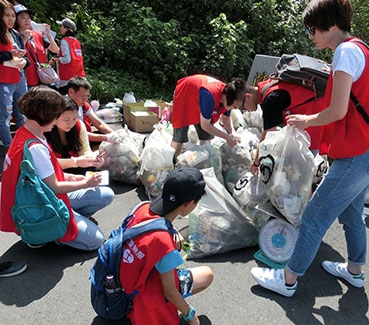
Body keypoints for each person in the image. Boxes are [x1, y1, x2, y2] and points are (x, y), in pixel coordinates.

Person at [251, 0, 369, 297]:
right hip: (367, 152)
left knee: (312, 219)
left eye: (313, 29)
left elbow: (337, 110)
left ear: (331, 25)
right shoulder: (362, 48)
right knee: (352, 216)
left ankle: (287, 280)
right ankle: (355, 272)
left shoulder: (345, 53)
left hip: (352, 155)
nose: (310, 35)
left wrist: (305, 121)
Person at [0, 86, 107, 251]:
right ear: (45, 115)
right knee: (97, 241)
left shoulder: (25, 133)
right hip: (40, 204)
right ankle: (50, 231)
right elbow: (54, 186)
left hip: (35, 199)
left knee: (105, 194)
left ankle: (61, 222)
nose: (58, 120)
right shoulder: (35, 146)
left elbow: (44, 175)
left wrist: (71, 177)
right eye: (57, 116)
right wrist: (86, 183)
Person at [119, 167, 214, 325]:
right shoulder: (163, 242)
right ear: (189, 203)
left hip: (121, 286)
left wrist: (170, 230)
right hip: (142, 298)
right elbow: (169, 291)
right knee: (207, 275)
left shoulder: (142, 208)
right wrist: (191, 315)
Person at [44, 96, 114, 225]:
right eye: (66, 119)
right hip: (54, 180)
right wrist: (75, 161)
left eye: (74, 118)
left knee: (106, 194)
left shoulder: (78, 126)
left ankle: (72, 216)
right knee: (94, 239)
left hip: (75, 175)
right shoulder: (44, 132)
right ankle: (64, 217)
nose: (70, 123)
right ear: (55, 117)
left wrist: (94, 159)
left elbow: (85, 151)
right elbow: (47, 165)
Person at [241, 79, 325, 175]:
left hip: (310, 126)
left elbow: (268, 134)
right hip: (310, 116)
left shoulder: (270, 99)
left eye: (243, 107)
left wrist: (256, 163)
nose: (246, 110)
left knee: (301, 174)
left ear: (248, 96)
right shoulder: (267, 84)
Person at [170, 74, 251, 157]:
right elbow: (205, 125)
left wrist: (232, 133)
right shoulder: (210, 96)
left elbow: (226, 118)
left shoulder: (228, 97)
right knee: (180, 136)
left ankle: (202, 162)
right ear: (228, 98)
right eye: (234, 107)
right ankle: (172, 161)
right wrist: (226, 137)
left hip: (200, 97)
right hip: (185, 93)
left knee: (206, 140)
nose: (233, 109)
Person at [0, 0, 28, 147]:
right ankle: (9, 150)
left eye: (13, 15)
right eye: (6, 15)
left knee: (23, 114)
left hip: (20, 77)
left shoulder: (16, 34)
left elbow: (26, 57)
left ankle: (23, 146)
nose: (11, 19)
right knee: (4, 117)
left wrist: (25, 61)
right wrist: (9, 55)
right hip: (3, 79)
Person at [14, 4, 59, 87]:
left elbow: (55, 50)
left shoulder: (38, 35)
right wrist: (24, 39)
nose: (27, 20)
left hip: (44, 76)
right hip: (28, 78)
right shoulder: (13, 35)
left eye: (28, 18)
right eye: (23, 17)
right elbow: (16, 54)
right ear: (15, 19)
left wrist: (49, 36)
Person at [66, 76, 120, 144]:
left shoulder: (84, 105)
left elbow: (99, 124)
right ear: (71, 92)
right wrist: (106, 138)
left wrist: (113, 134)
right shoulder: (64, 107)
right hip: (73, 139)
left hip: (85, 136)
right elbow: (76, 133)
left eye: (87, 96)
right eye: (83, 96)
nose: (85, 100)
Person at [52, 17, 85, 94]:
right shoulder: (77, 42)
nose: (60, 28)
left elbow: (67, 59)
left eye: (61, 26)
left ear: (66, 29)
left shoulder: (64, 41)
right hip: (80, 76)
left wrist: (56, 59)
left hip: (67, 79)